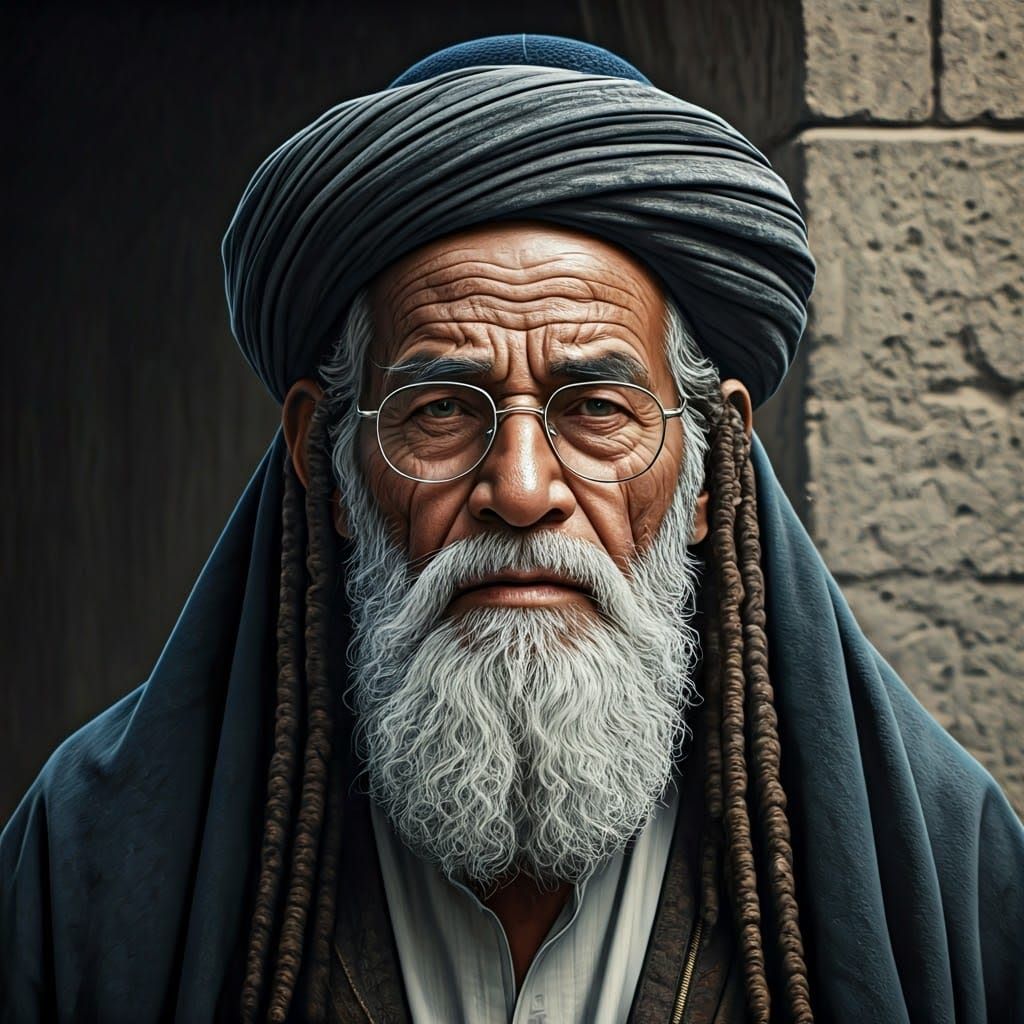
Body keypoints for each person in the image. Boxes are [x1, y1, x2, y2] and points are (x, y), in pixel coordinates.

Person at [2, 34, 1021, 1024]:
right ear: (329, 459)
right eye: (441, 408)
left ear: (711, 457)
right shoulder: (89, 862)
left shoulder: (947, 874)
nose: (522, 488)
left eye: (596, 409)